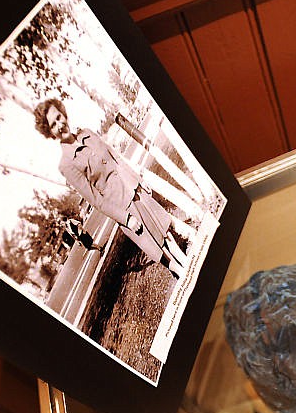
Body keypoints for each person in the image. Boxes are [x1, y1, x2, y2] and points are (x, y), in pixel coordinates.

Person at [34, 98, 187, 279]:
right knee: (155, 243)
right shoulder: (66, 164)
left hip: (132, 186)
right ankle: (182, 273)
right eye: (53, 125)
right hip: (123, 205)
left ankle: (186, 263)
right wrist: (125, 218)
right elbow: (96, 200)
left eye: (59, 117)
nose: (60, 124)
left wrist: (138, 179)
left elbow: (116, 157)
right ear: (50, 132)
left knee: (164, 230)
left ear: (63, 113)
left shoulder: (87, 133)